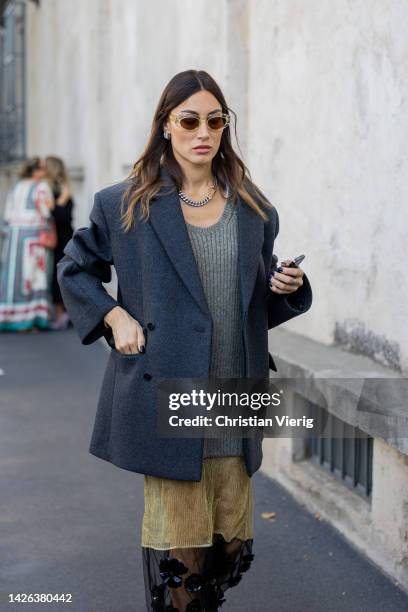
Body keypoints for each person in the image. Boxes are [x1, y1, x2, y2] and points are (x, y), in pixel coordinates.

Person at [57, 69, 313, 611]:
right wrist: (114, 316)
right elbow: (75, 270)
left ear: (225, 127)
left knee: (230, 544)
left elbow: (252, 307)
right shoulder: (125, 204)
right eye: (190, 120)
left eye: (215, 120)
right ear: (166, 126)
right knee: (186, 560)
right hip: (169, 398)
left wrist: (287, 285)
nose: (204, 131)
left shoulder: (254, 209)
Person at [0, 157, 54, 332]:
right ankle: (31, 318)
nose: (45, 172)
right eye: (43, 168)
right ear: (36, 171)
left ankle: (10, 316)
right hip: (33, 235)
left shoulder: (16, 187)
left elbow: (7, 216)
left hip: (13, 236)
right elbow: (47, 210)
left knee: (13, 276)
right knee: (33, 276)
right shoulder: (41, 187)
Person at [44, 156, 74, 330]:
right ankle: (59, 312)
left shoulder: (61, 189)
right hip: (53, 238)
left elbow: (62, 217)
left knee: (59, 274)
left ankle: (62, 313)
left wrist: (58, 204)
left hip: (61, 238)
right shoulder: (50, 189)